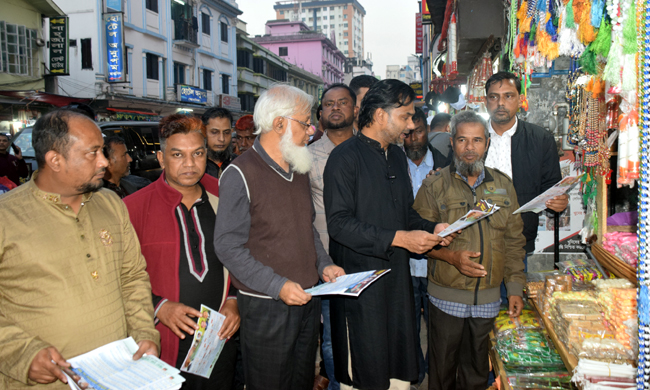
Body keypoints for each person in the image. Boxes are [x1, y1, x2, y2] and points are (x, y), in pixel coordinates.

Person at [0, 109, 160, 389]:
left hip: (118, 376)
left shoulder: (110, 204)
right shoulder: (7, 217)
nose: (104, 161)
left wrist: (145, 333)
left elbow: (132, 276)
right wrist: (21, 354)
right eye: (93, 152)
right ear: (55, 160)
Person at [214, 84, 345, 390]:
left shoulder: (297, 166)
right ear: (279, 124)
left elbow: (306, 227)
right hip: (266, 305)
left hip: (306, 299)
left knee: (300, 380)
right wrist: (278, 286)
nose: (311, 129)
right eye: (305, 122)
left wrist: (323, 264)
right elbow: (228, 246)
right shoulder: (240, 174)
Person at [323, 79, 449, 390]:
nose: (410, 125)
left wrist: (432, 229)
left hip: (396, 283)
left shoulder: (395, 156)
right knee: (364, 371)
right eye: (405, 116)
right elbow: (338, 224)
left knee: (397, 373)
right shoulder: (344, 158)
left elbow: (406, 214)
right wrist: (398, 238)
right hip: (360, 285)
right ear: (380, 115)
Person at [413, 110, 526, 390]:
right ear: (452, 143)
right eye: (462, 140)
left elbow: (514, 240)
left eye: (476, 140)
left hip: (488, 298)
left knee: (477, 371)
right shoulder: (434, 185)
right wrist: (451, 257)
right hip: (445, 297)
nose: (469, 148)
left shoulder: (503, 186)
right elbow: (418, 241)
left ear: (487, 143)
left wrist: (514, 288)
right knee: (442, 372)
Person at [124, 114, 240, 389]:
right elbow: (118, 275)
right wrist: (158, 306)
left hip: (218, 337)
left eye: (198, 153)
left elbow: (243, 254)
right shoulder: (132, 209)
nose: (190, 164)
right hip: (161, 339)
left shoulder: (225, 198)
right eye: (177, 154)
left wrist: (235, 300)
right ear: (162, 159)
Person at [482, 72, 567, 302]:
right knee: (480, 314)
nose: (500, 103)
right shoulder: (472, 137)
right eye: (494, 97)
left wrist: (559, 202)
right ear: (485, 101)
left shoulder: (540, 139)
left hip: (518, 239)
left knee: (512, 310)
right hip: (475, 240)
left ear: (520, 99)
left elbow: (553, 187)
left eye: (508, 96)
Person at [308, 83, 359, 390]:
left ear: (355, 109)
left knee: (367, 333)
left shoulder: (372, 151)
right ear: (321, 112)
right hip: (328, 264)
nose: (336, 108)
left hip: (367, 259)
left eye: (343, 102)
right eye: (329, 104)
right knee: (331, 339)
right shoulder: (305, 158)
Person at [403, 107, 449, 386]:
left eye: (418, 131)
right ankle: (415, 371)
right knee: (407, 325)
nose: (413, 139)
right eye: (407, 133)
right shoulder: (392, 164)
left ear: (427, 130)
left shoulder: (447, 164)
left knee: (438, 326)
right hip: (405, 262)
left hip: (438, 261)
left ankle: (436, 370)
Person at [202, 107, 235, 179]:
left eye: (226, 132)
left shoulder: (239, 164)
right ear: (204, 133)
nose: (222, 139)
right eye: (214, 132)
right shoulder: (196, 166)